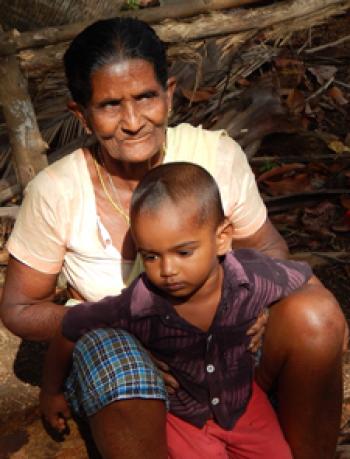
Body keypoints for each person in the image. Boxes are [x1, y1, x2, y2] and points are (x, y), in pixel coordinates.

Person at [0, 16, 345, 459]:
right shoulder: (56, 191)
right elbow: (20, 309)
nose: (131, 121)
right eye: (109, 105)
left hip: (225, 350)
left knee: (317, 314)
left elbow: (270, 251)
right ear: (81, 114)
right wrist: (133, 326)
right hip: (131, 354)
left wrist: (262, 308)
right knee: (121, 364)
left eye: (146, 97)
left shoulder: (215, 156)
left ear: (170, 93)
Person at [41, 162, 314, 459]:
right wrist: (51, 392)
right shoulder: (140, 303)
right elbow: (71, 327)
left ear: (222, 237)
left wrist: (270, 311)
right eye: (151, 256)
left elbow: (304, 277)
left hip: (245, 407)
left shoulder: (251, 277)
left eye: (183, 252)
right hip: (185, 419)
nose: (167, 270)